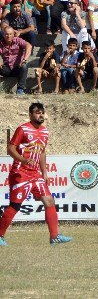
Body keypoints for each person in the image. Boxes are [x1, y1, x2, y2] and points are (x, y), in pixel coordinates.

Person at [0, 103, 72, 246]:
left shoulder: (45, 132)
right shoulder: (23, 129)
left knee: (49, 201)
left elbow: (42, 151)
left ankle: (54, 236)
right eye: (38, 113)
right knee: (15, 206)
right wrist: (23, 159)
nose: (41, 115)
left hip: (35, 174)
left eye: (42, 113)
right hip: (20, 172)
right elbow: (10, 149)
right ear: (30, 115)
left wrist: (44, 171)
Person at [0, 27, 31, 95]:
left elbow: (29, 46)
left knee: (24, 66)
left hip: (18, 68)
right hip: (6, 69)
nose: (8, 36)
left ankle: (20, 89)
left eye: (10, 34)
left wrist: (24, 59)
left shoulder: (18, 40)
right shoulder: (1, 43)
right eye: (6, 34)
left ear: (13, 34)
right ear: (3, 34)